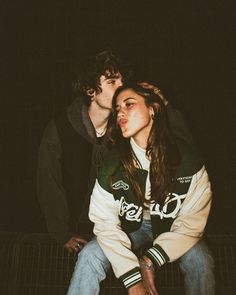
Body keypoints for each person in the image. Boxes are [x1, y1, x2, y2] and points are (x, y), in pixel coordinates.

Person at [68, 83, 215, 294]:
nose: (121, 113)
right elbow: (104, 223)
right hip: (131, 227)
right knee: (90, 255)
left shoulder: (186, 159)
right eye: (117, 108)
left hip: (173, 227)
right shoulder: (113, 164)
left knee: (201, 260)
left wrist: (149, 261)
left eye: (129, 104)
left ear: (153, 109)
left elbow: (192, 223)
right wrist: (132, 277)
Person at [37, 50, 129, 252]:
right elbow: (48, 182)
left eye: (122, 82)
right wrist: (61, 234)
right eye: (112, 82)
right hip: (71, 236)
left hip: (113, 235)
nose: (122, 87)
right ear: (90, 90)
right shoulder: (60, 129)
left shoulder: (125, 131)